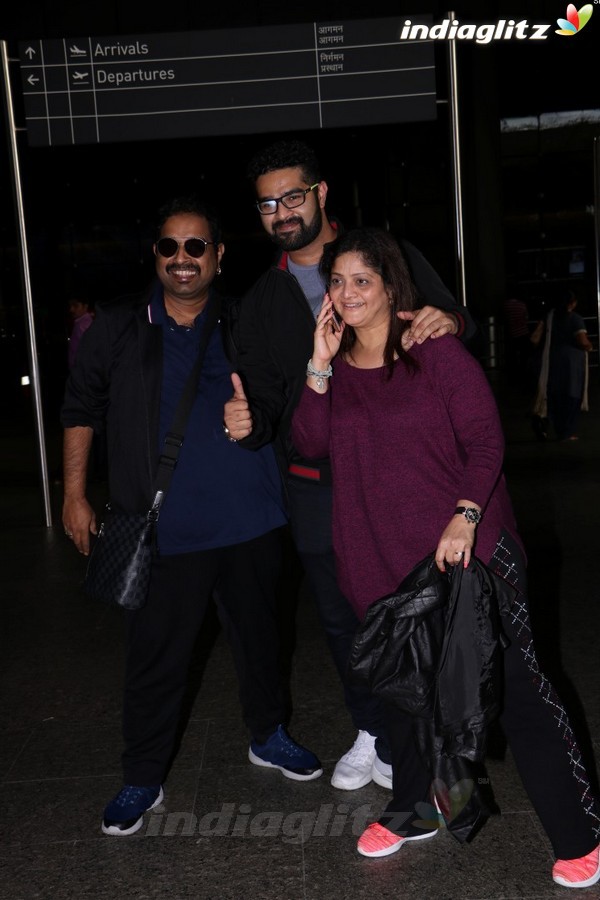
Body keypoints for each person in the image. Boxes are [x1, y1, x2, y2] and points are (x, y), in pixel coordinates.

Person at [290, 226, 600, 889]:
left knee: (518, 692)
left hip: (469, 556)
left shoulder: (436, 353)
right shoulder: (335, 367)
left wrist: (465, 516)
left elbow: (486, 441)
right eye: (336, 282)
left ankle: (580, 832)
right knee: (408, 699)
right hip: (377, 563)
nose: (346, 294)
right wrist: (318, 362)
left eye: (361, 281)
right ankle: (421, 809)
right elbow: (309, 445)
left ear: (391, 284)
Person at [61, 195, 322, 838]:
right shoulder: (116, 328)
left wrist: (255, 419)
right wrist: (73, 495)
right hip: (163, 532)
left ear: (219, 255)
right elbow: (79, 409)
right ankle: (141, 775)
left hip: (252, 521)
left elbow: (283, 395)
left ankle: (268, 734)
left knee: (262, 641)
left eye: (197, 246)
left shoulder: (244, 322)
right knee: (156, 658)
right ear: (156, 255)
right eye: (171, 247)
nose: (184, 259)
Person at [223, 139, 479, 792]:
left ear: (322, 193)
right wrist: (247, 427)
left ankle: (432, 729)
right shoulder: (259, 303)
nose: (281, 212)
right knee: (343, 618)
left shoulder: (384, 257)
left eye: (292, 196)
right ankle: (374, 727)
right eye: (267, 204)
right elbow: (264, 407)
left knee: (417, 606)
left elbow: (455, 317)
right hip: (318, 491)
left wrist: (444, 319)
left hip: (404, 476)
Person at [533, 289, 593, 441]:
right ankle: (567, 432)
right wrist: (589, 346)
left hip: (553, 361)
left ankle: (556, 428)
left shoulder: (550, 317)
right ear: (572, 303)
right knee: (572, 397)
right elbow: (582, 341)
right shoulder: (575, 319)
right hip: (572, 364)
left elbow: (535, 338)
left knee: (556, 396)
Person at [67, 298, 95, 369]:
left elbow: (91, 349)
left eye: (75, 306)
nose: (71, 309)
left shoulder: (84, 324)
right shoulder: (80, 322)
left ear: (85, 306)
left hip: (83, 370)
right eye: (71, 306)